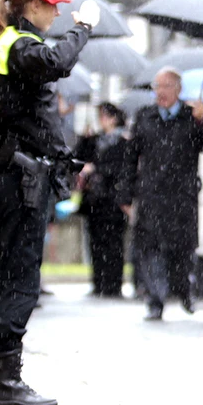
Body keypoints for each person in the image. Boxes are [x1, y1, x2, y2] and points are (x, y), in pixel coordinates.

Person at [0, 0, 97, 405]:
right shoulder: (21, 46)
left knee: (1, 275)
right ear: (33, 5)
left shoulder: (1, 45)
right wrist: (83, 28)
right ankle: (5, 382)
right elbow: (57, 62)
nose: (56, 13)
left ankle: (0, 378)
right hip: (24, 179)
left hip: (12, 175)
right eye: (53, 6)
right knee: (18, 279)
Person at [122, 68, 203, 321]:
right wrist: (126, 196)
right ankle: (155, 299)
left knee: (182, 249)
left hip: (182, 197)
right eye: (157, 86)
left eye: (166, 86)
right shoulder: (144, 117)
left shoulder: (191, 118)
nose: (161, 92)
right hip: (151, 195)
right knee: (150, 248)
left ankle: (183, 290)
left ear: (179, 90)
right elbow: (130, 159)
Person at [75, 103, 130, 299]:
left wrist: (97, 169)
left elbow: (121, 168)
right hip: (94, 200)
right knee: (96, 242)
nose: (102, 120)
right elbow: (77, 158)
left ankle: (113, 284)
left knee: (114, 243)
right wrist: (84, 138)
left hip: (113, 199)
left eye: (105, 116)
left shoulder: (123, 141)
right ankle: (98, 282)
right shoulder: (94, 140)